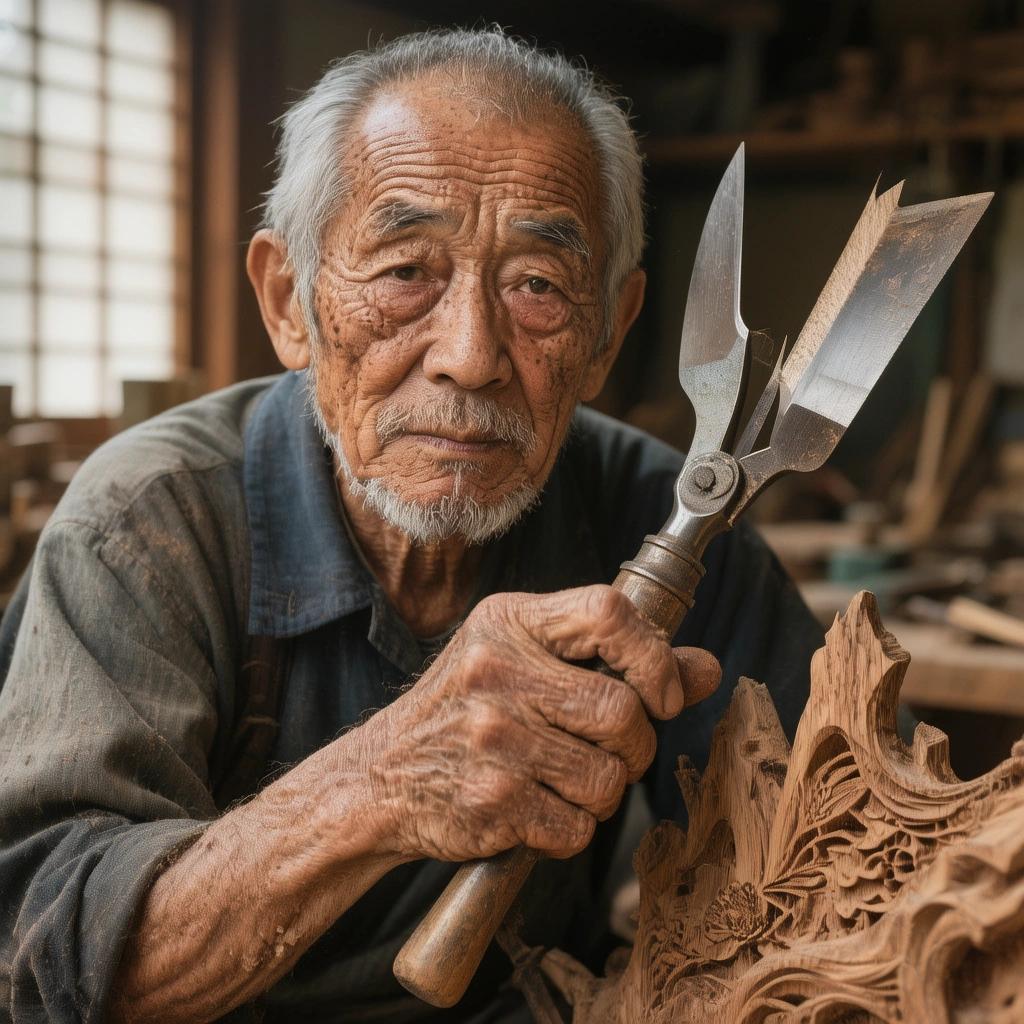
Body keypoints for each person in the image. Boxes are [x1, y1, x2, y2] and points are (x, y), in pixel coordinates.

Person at [0, 28, 821, 1024]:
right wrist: (383, 782)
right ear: (287, 302)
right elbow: (40, 961)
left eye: (538, 287)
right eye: (403, 271)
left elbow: (816, 856)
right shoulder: (150, 521)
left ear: (609, 332)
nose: (469, 355)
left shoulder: (667, 518)